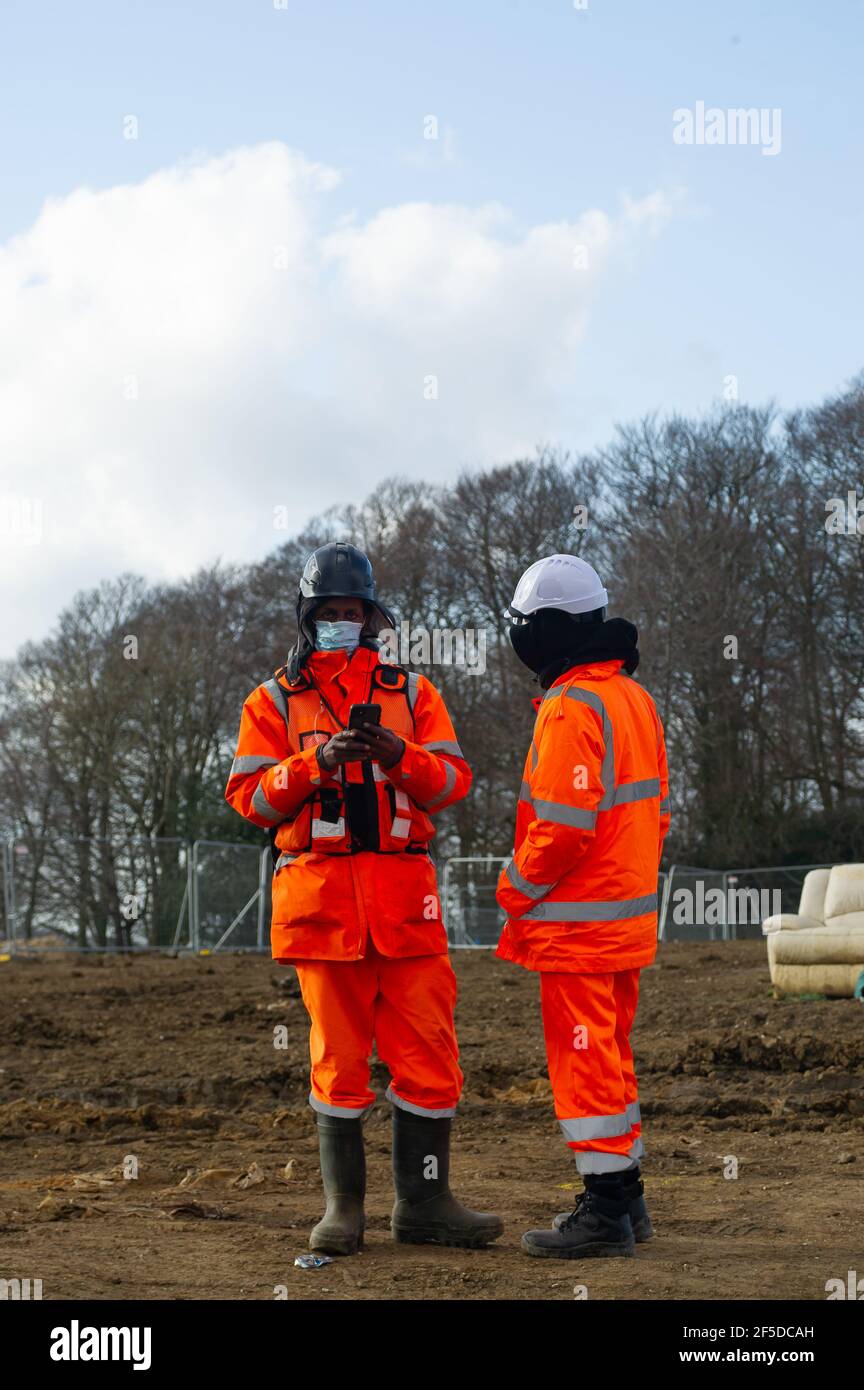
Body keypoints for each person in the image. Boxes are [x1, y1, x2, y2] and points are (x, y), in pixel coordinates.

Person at [225, 542, 502, 1256]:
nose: (343, 623)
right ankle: (343, 1210)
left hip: (408, 906)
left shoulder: (411, 694)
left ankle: (427, 1202)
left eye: (354, 612)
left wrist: (395, 757)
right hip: (322, 910)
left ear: (373, 618)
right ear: (308, 619)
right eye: (331, 613)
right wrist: (312, 764)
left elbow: (453, 784)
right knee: (338, 1060)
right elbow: (249, 800)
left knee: (431, 1055)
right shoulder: (272, 701)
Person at [495, 554, 670, 1259]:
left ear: (545, 631)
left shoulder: (573, 706)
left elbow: (563, 827)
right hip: (622, 923)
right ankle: (626, 1204)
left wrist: (514, 885)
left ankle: (605, 1211)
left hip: (577, 928)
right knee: (610, 1059)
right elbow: (654, 817)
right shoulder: (634, 698)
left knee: (585, 1065)